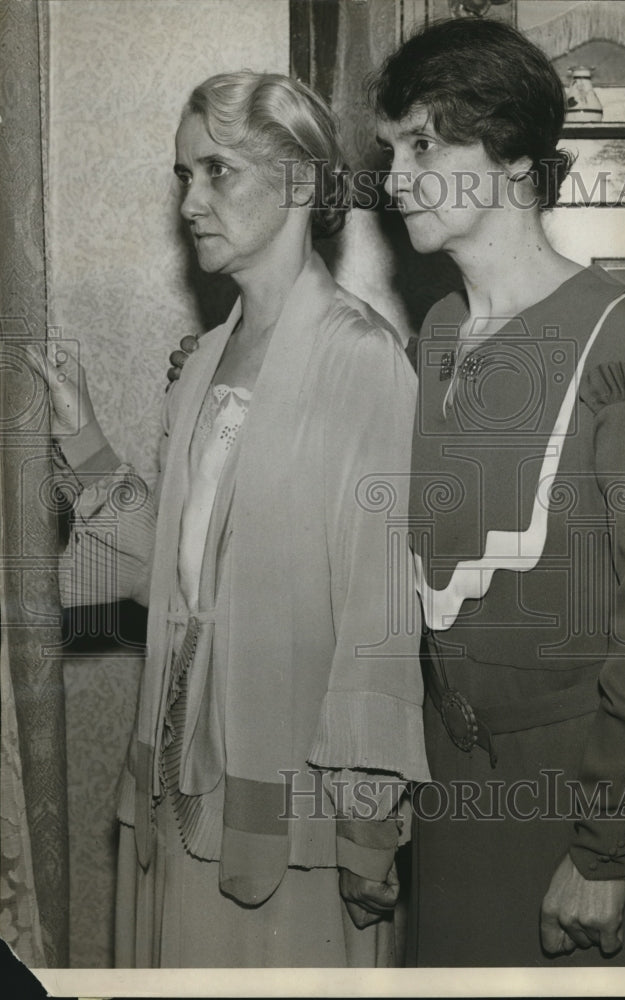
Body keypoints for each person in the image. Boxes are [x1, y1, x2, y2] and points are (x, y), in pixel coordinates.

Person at [39, 71, 429, 968]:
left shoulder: (360, 360)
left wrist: (368, 830)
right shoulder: (205, 360)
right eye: (183, 175)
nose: (190, 201)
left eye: (217, 171)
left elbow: (378, 620)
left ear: (298, 183)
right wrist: (84, 439)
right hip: (181, 787)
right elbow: (173, 575)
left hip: (292, 813)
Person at [370, 18, 625, 967]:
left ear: (513, 155)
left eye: (422, 144)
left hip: (584, 798)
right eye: (390, 150)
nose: (396, 178)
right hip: (452, 789)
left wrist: (604, 851)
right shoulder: (436, 334)